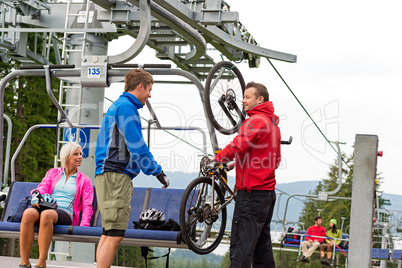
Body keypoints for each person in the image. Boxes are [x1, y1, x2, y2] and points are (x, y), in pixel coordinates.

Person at [95, 69, 170, 268]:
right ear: (140, 86)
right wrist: (157, 172)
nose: (150, 95)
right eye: (149, 90)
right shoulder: (127, 108)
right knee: (115, 235)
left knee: (108, 233)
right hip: (115, 176)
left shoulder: (118, 105)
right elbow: (136, 146)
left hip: (107, 174)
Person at [213, 82, 281, 267]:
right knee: (261, 246)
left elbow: (238, 145)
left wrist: (217, 159)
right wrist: (238, 162)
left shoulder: (255, 120)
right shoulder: (273, 125)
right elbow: (274, 159)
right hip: (267, 194)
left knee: (241, 245)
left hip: (250, 194)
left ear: (260, 99)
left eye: (247, 97)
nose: (243, 100)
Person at [19, 142, 93, 268]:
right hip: (48, 206)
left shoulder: (84, 180)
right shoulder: (53, 173)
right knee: (28, 213)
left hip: (65, 213)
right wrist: (37, 194)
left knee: (47, 215)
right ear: (67, 156)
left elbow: (87, 205)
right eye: (76, 154)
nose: (80, 157)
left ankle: (41, 262)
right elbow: (43, 187)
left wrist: (84, 226)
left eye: (80, 154)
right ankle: (24, 262)